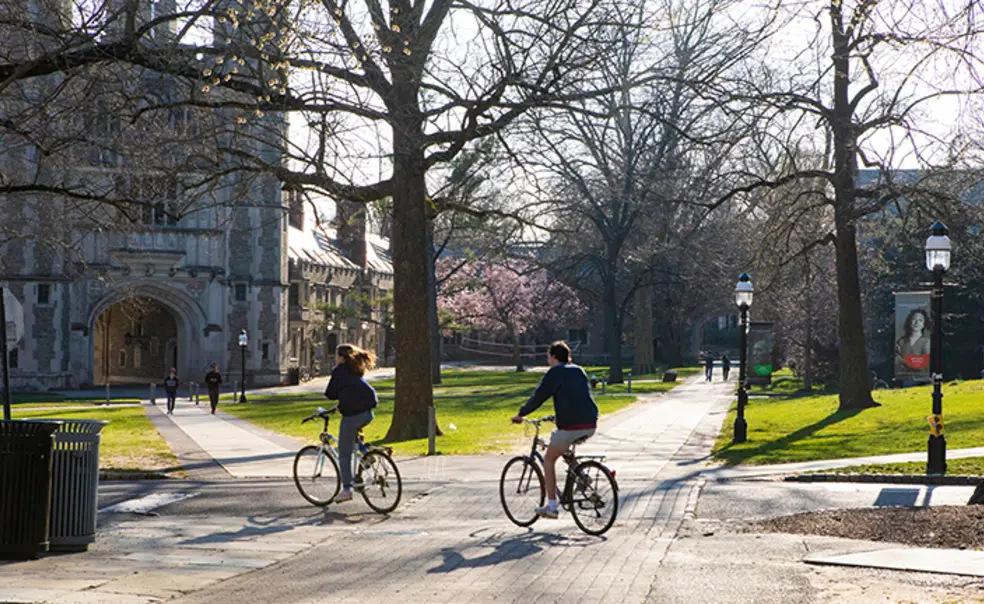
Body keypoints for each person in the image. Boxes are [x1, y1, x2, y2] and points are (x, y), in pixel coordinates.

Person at [511, 341, 598, 519]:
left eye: (548, 356)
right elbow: (575, 396)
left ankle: (551, 506)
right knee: (563, 446)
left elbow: (539, 396)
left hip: (571, 426)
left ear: (553, 356)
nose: (548, 360)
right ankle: (581, 475)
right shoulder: (578, 370)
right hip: (590, 423)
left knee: (549, 461)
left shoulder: (555, 373)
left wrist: (521, 414)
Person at [325, 343, 378, 503]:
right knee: (352, 435)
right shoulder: (356, 368)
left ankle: (346, 489)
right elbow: (352, 390)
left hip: (353, 416)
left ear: (341, 357)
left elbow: (330, 393)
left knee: (344, 454)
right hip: (368, 413)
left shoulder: (339, 371)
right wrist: (342, 404)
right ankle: (366, 455)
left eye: (336, 356)